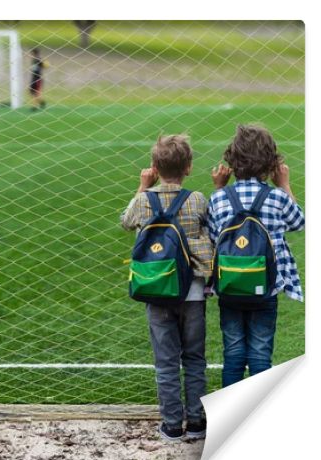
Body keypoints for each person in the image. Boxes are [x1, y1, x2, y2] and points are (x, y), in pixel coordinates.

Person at [121, 135, 213, 442]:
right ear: (188, 167)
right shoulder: (197, 199)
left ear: (154, 168)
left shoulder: (143, 201)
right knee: (195, 359)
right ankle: (198, 422)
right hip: (193, 293)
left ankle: (172, 424)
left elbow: (126, 221)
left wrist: (143, 187)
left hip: (157, 290)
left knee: (166, 362)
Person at [207, 124, 305, 388]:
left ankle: (230, 418)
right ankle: (260, 419)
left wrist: (219, 187)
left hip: (229, 287)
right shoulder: (276, 198)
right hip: (266, 287)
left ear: (232, 161)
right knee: (261, 354)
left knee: (234, 353)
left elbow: (213, 236)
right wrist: (284, 185)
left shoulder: (218, 199)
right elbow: (299, 222)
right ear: (271, 163)